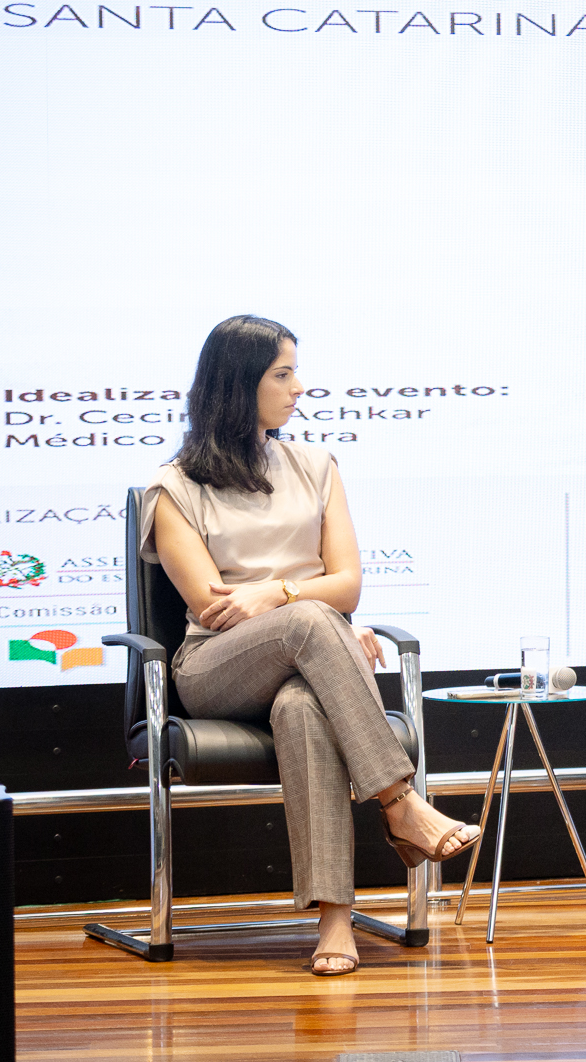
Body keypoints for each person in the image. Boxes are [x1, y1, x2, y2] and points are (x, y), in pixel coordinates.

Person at [142, 315, 480, 976]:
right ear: (239, 384)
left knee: (303, 706)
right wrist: (309, 612)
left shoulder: (317, 466)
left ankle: (335, 922)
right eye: (283, 374)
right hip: (214, 665)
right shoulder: (173, 487)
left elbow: (348, 584)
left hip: (305, 655)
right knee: (312, 624)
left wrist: (282, 597)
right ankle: (400, 802)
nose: (299, 387)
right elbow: (216, 606)